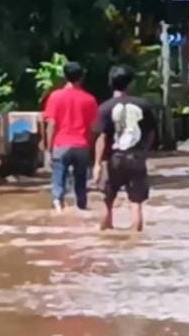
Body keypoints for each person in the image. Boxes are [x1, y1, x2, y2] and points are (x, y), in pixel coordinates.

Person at [92, 65, 158, 232]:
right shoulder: (144, 105)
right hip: (136, 157)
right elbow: (151, 133)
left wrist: (97, 164)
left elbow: (102, 137)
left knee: (107, 200)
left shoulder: (105, 107)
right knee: (135, 203)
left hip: (113, 158)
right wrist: (144, 152)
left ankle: (105, 236)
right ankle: (135, 241)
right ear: (131, 84)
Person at [41, 61, 99, 213]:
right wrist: (90, 146)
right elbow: (94, 128)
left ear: (64, 77)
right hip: (82, 146)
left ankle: (58, 206)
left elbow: (51, 124)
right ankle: (81, 207)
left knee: (58, 180)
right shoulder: (90, 99)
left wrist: (48, 148)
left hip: (61, 145)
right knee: (81, 184)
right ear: (82, 77)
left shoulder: (55, 97)